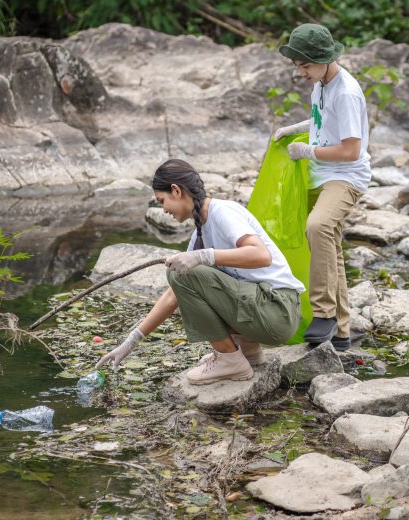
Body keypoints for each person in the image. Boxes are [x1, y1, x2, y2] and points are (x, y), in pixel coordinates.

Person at [96, 159, 304, 384]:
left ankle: (229, 360)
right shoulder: (200, 233)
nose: (164, 209)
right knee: (182, 278)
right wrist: (132, 340)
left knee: (181, 274)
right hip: (267, 312)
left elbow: (261, 256)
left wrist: (204, 256)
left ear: (176, 190)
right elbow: (174, 293)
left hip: (278, 310)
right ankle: (247, 351)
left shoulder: (222, 212)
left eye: (162, 201)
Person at [274, 23, 370, 352]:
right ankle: (342, 334)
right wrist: (294, 129)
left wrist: (307, 151)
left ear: (324, 60)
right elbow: (322, 121)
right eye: (297, 66)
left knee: (317, 226)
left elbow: (351, 150)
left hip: (345, 175)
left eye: (305, 66)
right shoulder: (321, 83)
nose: (301, 72)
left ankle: (324, 312)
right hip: (321, 174)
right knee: (331, 249)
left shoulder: (346, 92)